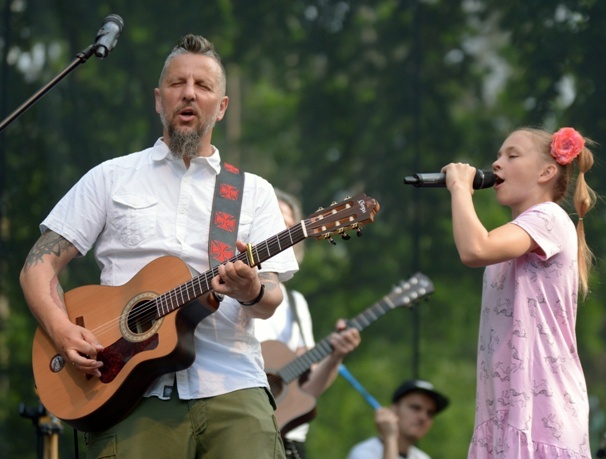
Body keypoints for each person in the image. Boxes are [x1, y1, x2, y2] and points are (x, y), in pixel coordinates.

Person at [19, 34, 298, 459]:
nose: (189, 92)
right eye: (177, 83)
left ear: (221, 106)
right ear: (158, 99)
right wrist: (61, 331)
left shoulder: (253, 192)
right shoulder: (110, 178)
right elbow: (37, 267)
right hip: (126, 390)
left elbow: (270, 297)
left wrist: (251, 290)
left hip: (232, 383)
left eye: (203, 86)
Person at [441, 127, 596, 458]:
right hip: (503, 417)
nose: (497, 164)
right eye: (497, 156)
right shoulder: (509, 241)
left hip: (543, 418)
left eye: (512, 155)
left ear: (546, 172)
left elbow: (474, 249)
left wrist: (459, 189)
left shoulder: (550, 217)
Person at [255, 188, 362, 458]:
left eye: (290, 227)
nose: (284, 232)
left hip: (287, 437)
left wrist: (336, 355)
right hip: (238, 432)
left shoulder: (296, 303)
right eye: (275, 221)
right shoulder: (225, 289)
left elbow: (309, 389)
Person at [347, 379, 449, 459]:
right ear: (394, 409)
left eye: (430, 413)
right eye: (415, 408)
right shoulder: (364, 453)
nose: (423, 417)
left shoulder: (422, 457)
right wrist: (390, 437)